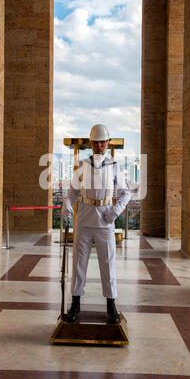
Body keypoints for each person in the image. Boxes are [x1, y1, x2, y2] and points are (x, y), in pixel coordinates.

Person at [61, 124, 131, 324]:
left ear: (107, 144)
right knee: (78, 264)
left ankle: (111, 306)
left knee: (108, 264)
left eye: (103, 142)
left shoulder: (114, 167)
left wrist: (114, 212)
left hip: (105, 220)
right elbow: (73, 192)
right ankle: (75, 304)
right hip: (83, 220)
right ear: (91, 144)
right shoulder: (82, 166)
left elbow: (126, 193)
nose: (99, 145)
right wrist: (67, 204)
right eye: (96, 142)